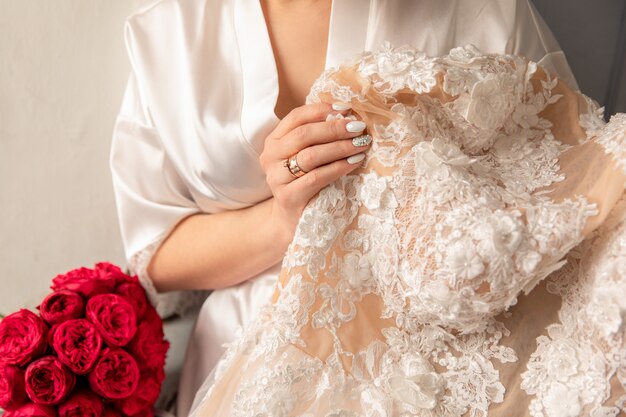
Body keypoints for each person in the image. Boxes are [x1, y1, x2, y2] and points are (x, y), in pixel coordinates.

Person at [110, 1, 584, 415]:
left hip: (439, 354)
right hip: (240, 360)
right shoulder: (166, 35)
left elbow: (567, 180)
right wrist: (283, 222)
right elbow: (155, 250)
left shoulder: (476, 6)